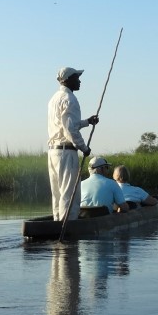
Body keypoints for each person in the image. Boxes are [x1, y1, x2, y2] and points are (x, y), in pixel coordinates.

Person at [47, 66, 99, 221]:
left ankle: (57, 224)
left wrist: (87, 122)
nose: (80, 81)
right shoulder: (70, 99)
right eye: (77, 77)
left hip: (53, 153)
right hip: (67, 153)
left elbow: (66, 125)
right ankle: (68, 229)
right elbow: (70, 130)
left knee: (57, 194)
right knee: (69, 194)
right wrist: (84, 148)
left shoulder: (53, 99)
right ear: (68, 80)